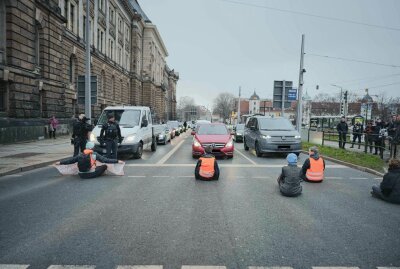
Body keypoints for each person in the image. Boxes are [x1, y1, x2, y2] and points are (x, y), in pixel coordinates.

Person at [55, 142, 124, 179]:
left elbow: (70, 160)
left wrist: (60, 162)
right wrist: (117, 161)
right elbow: (105, 160)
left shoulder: (80, 154)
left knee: (76, 164)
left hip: (81, 175)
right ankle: (101, 173)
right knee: (104, 166)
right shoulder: (94, 154)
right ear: (92, 148)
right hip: (91, 174)